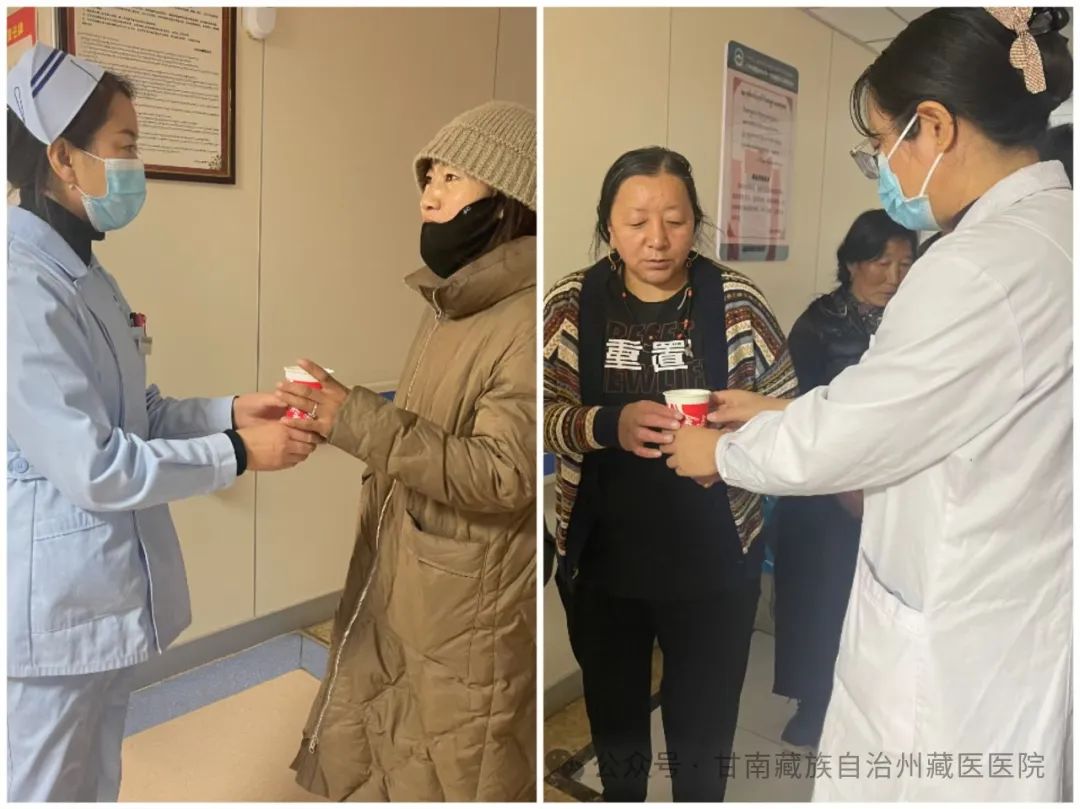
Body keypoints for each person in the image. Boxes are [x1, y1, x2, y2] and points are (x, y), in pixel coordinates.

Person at [661, 7, 1073, 800]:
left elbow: (854, 434)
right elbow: (914, 408)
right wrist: (775, 412)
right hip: (1010, 615)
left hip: (949, 659)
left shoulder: (974, 269)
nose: (882, 164)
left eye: (883, 141)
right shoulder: (1053, 235)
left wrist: (721, 451)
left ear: (935, 127)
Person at [6, 44, 318, 802]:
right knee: (42, 787)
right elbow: (94, 464)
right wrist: (237, 452)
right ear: (62, 157)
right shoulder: (20, 288)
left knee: (93, 778)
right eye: (125, 146)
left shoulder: (85, 274)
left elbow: (138, 414)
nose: (135, 167)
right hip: (53, 606)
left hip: (99, 598)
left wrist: (230, 411)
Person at [277, 101, 537, 801]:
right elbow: (428, 435)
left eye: (453, 178)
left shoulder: (524, 318)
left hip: (468, 599)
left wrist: (357, 419)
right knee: (397, 739)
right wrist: (337, 421)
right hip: (413, 567)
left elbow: (503, 473)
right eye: (429, 177)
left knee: (460, 761)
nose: (428, 195)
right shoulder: (455, 302)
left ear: (509, 199)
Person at [542, 147, 797, 802]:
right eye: (636, 222)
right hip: (605, 562)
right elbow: (531, 415)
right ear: (608, 225)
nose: (657, 239)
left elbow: (791, 416)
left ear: (696, 222)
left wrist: (731, 453)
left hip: (716, 562)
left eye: (676, 221)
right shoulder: (571, 303)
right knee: (617, 729)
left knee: (703, 733)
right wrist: (607, 424)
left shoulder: (735, 302)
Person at [772, 210, 915, 748]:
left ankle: (874, 703)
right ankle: (815, 702)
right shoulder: (817, 325)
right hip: (824, 490)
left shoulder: (915, 322)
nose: (894, 277)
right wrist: (843, 488)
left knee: (881, 599)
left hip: (890, 482)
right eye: (882, 262)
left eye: (905, 264)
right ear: (853, 263)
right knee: (821, 596)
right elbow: (798, 414)